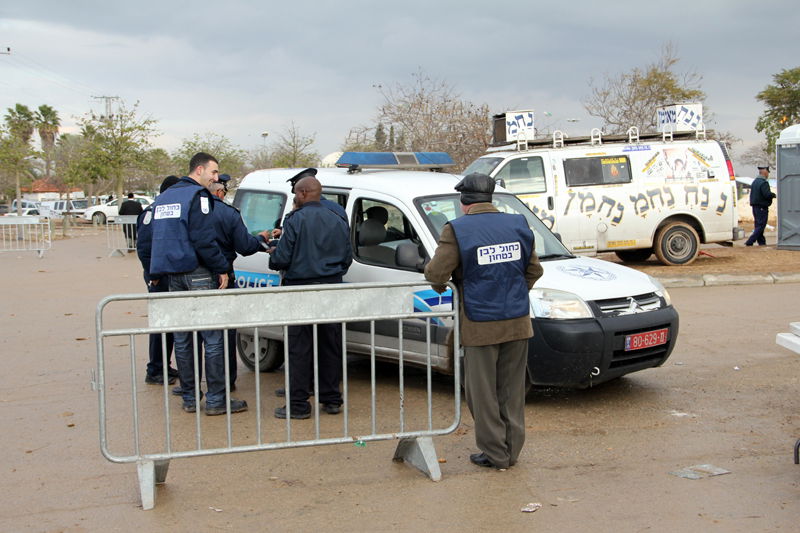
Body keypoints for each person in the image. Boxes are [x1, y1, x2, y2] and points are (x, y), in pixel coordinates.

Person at [424, 172, 543, 470]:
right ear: (490, 198)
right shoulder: (518, 223)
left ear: (464, 201)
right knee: (511, 391)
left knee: (482, 393)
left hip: (480, 324)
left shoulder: (457, 229)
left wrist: (440, 284)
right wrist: (512, 293)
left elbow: (437, 273)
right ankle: (511, 451)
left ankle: (495, 454)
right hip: (517, 321)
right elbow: (534, 271)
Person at [148, 152, 248, 416]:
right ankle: (216, 400)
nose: (216, 178)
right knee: (213, 338)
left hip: (173, 275)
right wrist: (221, 267)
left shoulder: (165, 197)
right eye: (214, 172)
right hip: (199, 273)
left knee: (183, 339)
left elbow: (155, 237)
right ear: (200, 170)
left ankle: (190, 398)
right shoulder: (198, 196)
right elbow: (203, 239)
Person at [267, 175, 353, 419]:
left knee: (299, 348)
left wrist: (273, 255)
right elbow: (347, 258)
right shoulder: (338, 217)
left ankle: (298, 405)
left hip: (301, 289)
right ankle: (332, 399)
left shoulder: (296, 219)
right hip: (331, 288)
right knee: (330, 345)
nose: (295, 197)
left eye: (295, 193)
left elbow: (282, 258)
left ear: (303, 193)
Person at [207, 180, 269, 390]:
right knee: (225, 335)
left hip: (196, 278)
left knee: (196, 335)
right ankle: (225, 384)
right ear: (219, 192)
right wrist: (260, 239)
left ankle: (194, 387)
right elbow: (245, 246)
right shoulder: (227, 213)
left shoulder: (193, 211)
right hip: (224, 278)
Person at [138, 177, 180, 386]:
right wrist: (153, 275)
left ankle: (164, 365)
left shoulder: (167, 211)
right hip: (159, 277)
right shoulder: (152, 212)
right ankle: (155, 369)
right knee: (161, 324)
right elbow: (144, 248)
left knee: (170, 325)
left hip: (168, 275)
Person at [745, 165, 776, 247]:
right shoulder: (763, 183)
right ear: (764, 172)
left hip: (755, 207)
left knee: (758, 225)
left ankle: (761, 242)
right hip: (762, 207)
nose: (768, 174)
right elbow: (766, 194)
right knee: (761, 225)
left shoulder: (755, 182)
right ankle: (750, 241)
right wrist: (773, 195)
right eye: (768, 172)